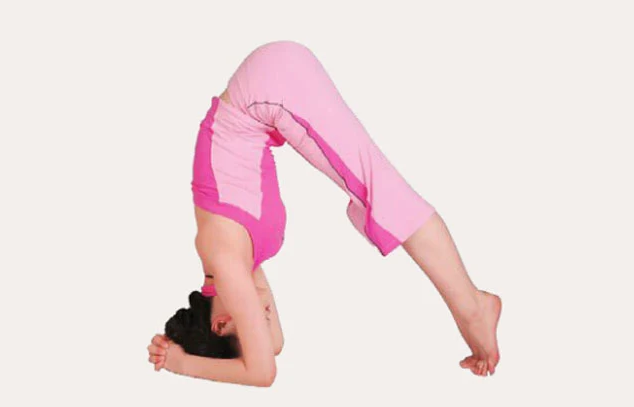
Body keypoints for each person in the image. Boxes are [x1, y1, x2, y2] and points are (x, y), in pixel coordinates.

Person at [146, 40, 502, 386]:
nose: (264, 318)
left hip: (270, 88)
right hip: (270, 89)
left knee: (383, 195)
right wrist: (181, 346)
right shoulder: (241, 265)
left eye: (255, 322)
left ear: (222, 324)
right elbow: (274, 346)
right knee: (378, 194)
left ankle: (473, 308)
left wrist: (182, 363)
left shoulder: (224, 261)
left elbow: (262, 372)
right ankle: (472, 305)